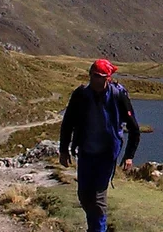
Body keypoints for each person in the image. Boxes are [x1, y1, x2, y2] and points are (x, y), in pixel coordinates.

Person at [59, 58, 140, 232]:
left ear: (108, 78)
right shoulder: (80, 95)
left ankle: (98, 229)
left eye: (101, 77)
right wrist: (63, 150)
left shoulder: (118, 96)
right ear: (89, 75)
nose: (97, 80)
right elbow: (68, 123)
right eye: (94, 76)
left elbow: (134, 128)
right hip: (86, 152)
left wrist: (129, 156)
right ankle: (93, 228)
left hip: (107, 154)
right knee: (84, 195)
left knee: (98, 198)